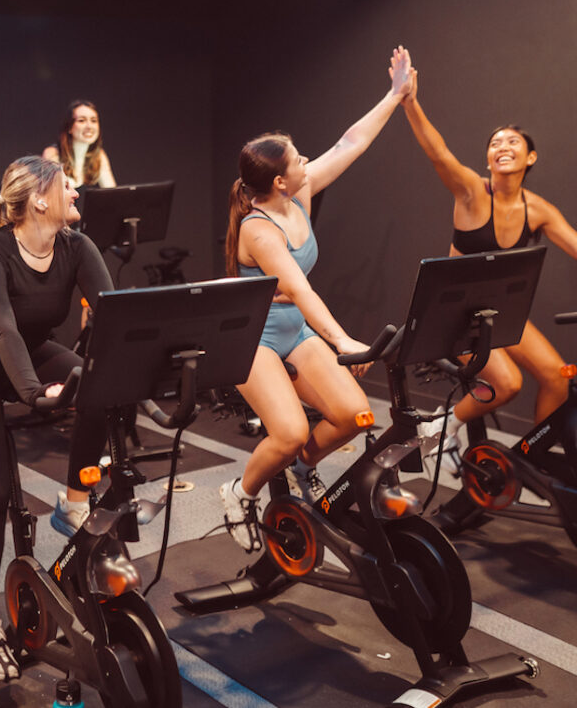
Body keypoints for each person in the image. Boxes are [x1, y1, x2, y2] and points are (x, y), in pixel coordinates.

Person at [220, 47, 414, 552]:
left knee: (354, 415)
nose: (308, 159)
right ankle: (239, 492)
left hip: (294, 331)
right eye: (298, 158)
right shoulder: (259, 230)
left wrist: (394, 95)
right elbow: (301, 289)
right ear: (280, 180)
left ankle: (303, 470)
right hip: (254, 339)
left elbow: (351, 142)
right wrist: (344, 339)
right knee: (284, 433)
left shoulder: (296, 195)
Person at [0, 156, 113, 681]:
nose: (76, 192)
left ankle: (74, 501)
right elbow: (3, 332)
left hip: (28, 351)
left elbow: (117, 311)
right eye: (66, 187)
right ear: (38, 200)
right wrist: (35, 393)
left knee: (100, 386)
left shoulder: (76, 247)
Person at [403, 66, 577, 474]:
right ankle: (442, 430)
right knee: (509, 383)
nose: (502, 145)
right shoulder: (471, 191)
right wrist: (409, 101)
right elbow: (437, 152)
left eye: (512, 141)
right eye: (495, 142)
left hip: (495, 313)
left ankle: (535, 465)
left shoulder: (538, 209)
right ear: (488, 157)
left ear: (529, 157)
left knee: (557, 376)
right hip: (452, 313)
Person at [43, 99, 116, 192]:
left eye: (94, 121)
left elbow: (112, 193)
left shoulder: (99, 156)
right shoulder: (52, 154)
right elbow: (53, 196)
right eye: (82, 120)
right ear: (69, 127)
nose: (89, 126)